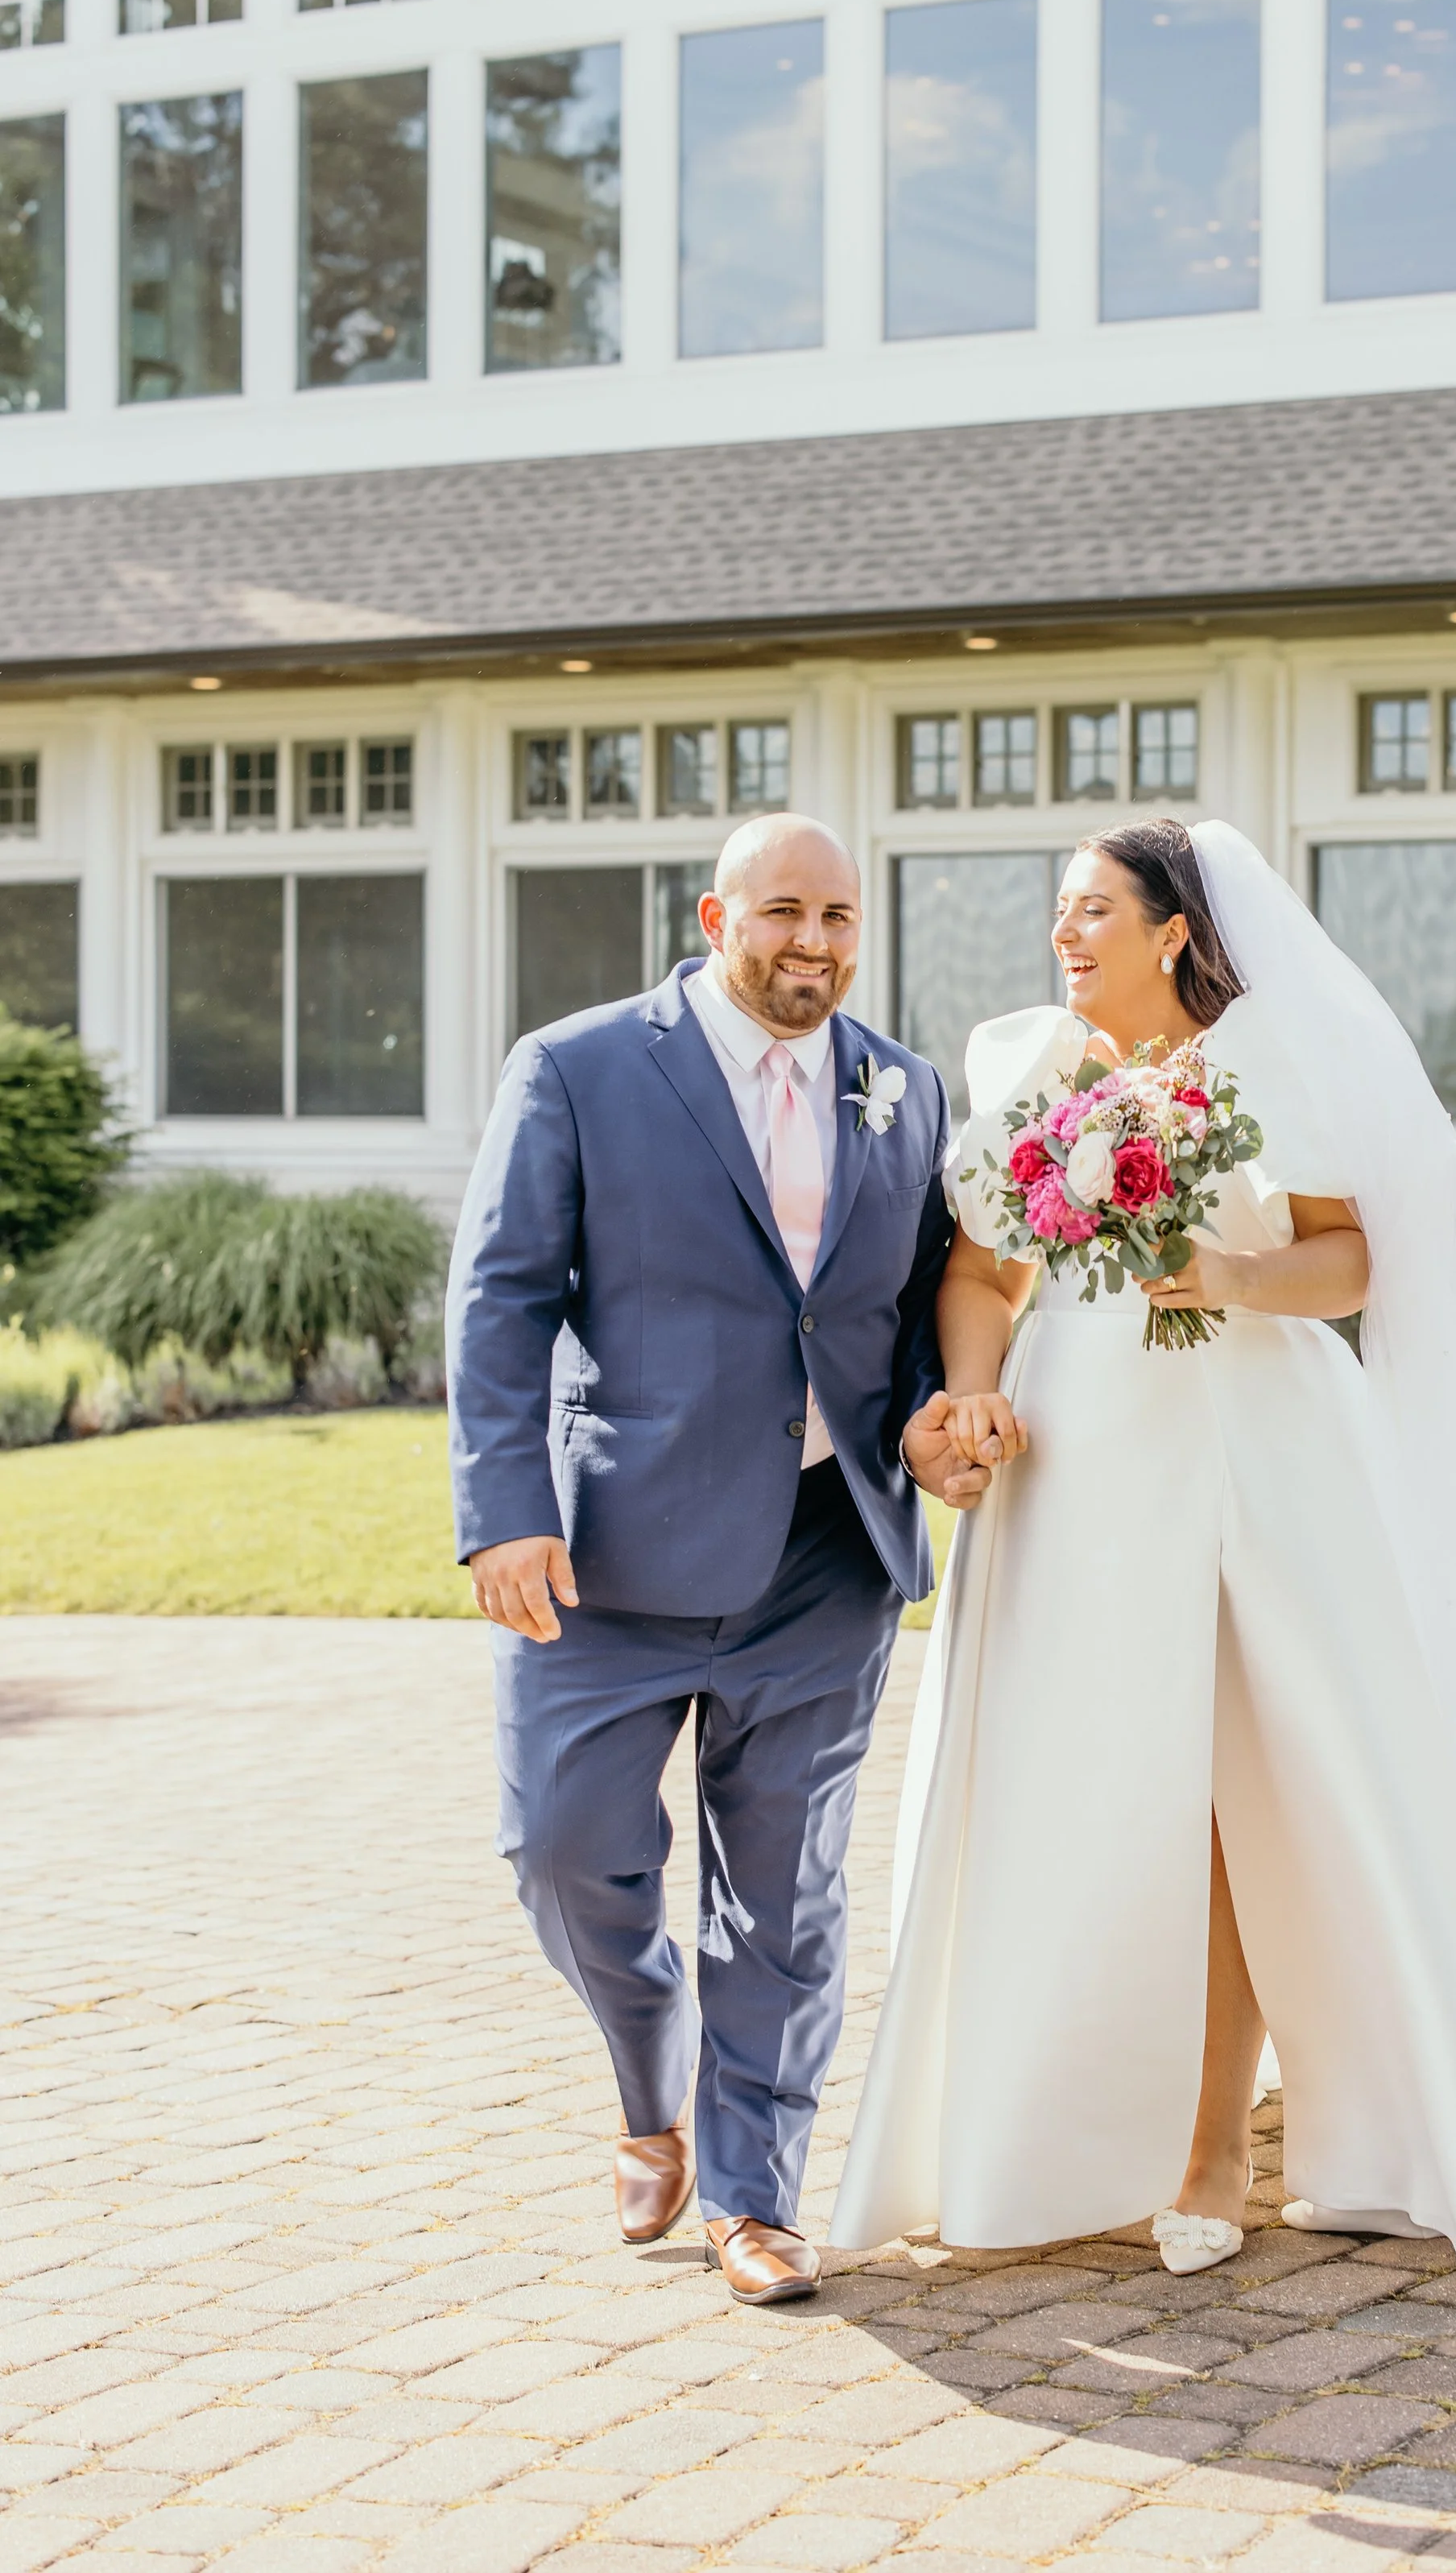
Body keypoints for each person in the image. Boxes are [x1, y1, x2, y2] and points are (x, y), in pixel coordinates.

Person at [831, 817, 1456, 2276]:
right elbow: (985, 1269)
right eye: (1057, 913)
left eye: (1093, 913)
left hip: (1261, 1443)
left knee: (1257, 1785)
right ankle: (1039, 2129)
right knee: (1082, 1778)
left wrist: (1224, 1267)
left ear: (1173, 928)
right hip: (1081, 1456)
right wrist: (979, 1388)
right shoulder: (1020, 1064)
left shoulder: (1269, 1058)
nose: (1064, 937)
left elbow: (1354, 1253)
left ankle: (1210, 2139)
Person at [446, 817, 991, 2308]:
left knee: (785, 1896)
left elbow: (921, 1296)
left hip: (825, 1551)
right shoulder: (578, 1067)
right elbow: (501, 1295)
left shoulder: (906, 1084)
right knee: (560, 1848)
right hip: (609, 1551)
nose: (813, 942)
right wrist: (504, 1508)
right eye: (784, 913)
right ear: (713, 916)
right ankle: (650, 2061)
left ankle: (755, 2198)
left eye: (840, 916)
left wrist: (941, 1424)